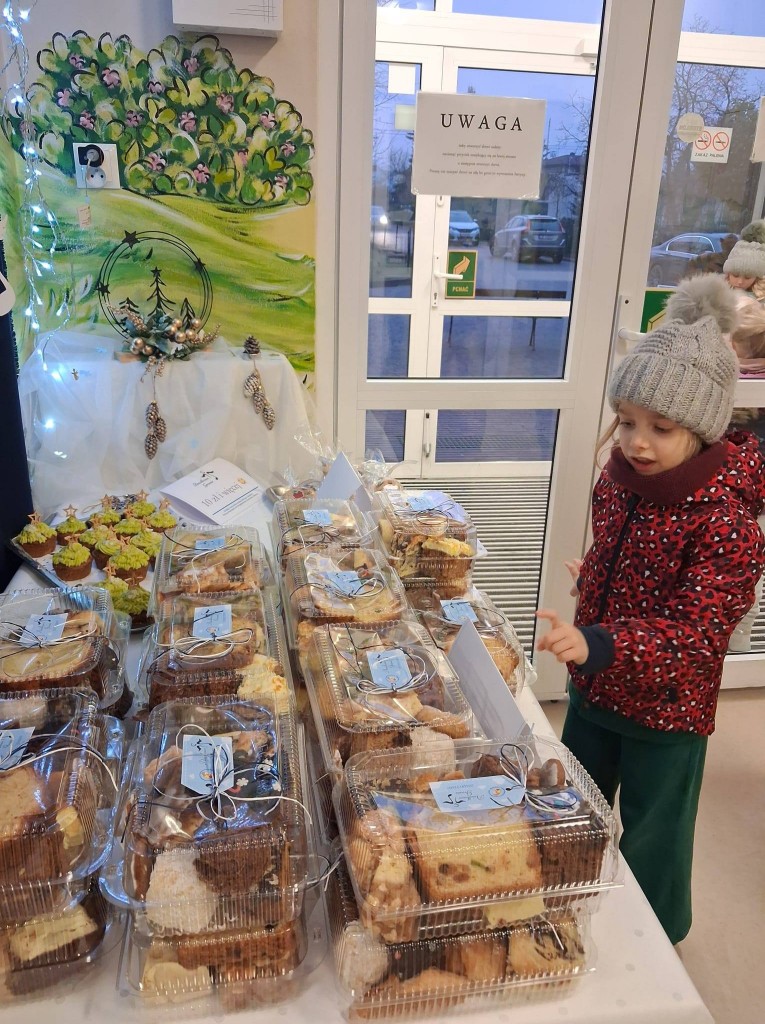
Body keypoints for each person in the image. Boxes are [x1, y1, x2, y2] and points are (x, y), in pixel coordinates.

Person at [535, 275, 765, 946]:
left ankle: (654, 942)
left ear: (703, 427)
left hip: (667, 713)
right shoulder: (621, 481)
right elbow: (622, 559)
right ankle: (562, 904)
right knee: (572, 810)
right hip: (595, 692)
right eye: (628, 421)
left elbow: (697, 632)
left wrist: (601, 642)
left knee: (654, 834)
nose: (638, 441)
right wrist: (594, 581)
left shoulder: (725, 520)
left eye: (661, 428)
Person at [721, 218, 765, 298]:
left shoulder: (761, 301)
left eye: (748, 277)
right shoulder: (713, 293)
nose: (740, 282)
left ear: (757, 278)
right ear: (728, 273)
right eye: (735, 275)